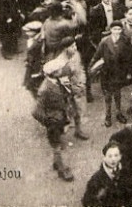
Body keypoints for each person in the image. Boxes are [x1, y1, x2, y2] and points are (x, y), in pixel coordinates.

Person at [32, 45, 85, 181]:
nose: (62, 70)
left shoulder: (57, 81)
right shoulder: (45, 89)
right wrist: (49, 122)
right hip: (54, 123)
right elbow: (36, 112)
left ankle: (56, 163)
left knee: (58, 144)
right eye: (59, 70)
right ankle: (62, 170)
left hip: (60, 118)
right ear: (54, 73)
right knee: (57, 146)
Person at [91, 21, 131, 127]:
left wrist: (128, 72)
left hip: (119, 72)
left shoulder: (125, 40)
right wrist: (91, 67)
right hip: (107, 72)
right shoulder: (104, 41)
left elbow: (128, 57)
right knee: (108, 95)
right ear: (110, 30)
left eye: (119, 29)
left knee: (117, 93)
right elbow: (97, 55)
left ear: (121, 30)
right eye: (114, 29)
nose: (117, 31)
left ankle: (118, 113)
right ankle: (108, 116)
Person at [82, 141, 132, 207]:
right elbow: (88, 201)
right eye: (110, 156)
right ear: (104, 158)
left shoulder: (126, 173)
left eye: (116, 155)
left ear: (120, 156)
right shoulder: (96, 179)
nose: (113, 159)